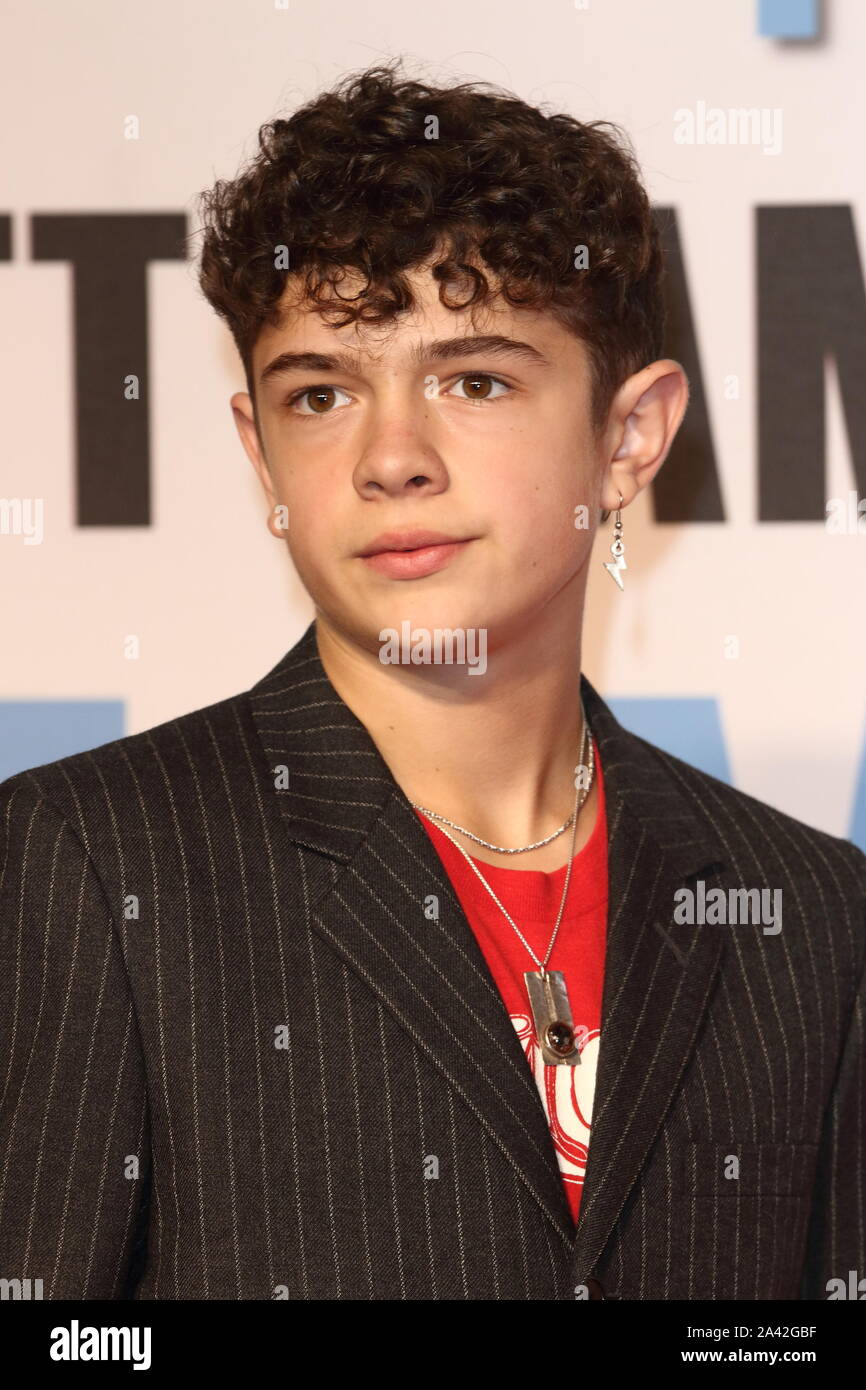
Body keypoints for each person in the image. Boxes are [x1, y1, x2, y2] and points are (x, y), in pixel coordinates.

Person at [1, 61, 863, 1302]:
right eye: (320, 393)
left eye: (473, 381)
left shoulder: (806, 912)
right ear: (260, 449)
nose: (389, 457)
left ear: (627, 438)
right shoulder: (96, 859)